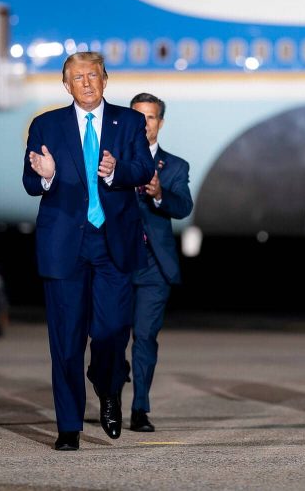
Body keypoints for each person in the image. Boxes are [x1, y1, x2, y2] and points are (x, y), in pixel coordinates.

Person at [23, 52, 155, 451]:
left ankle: (108, 385)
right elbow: (30, 180)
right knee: (66, 340)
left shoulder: (128, 121)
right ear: (66, 85)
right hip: (65, 244)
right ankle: (69, 426)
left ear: (105, 80)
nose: (86, 82)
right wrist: (46, 177)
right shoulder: (46, 124)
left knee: (112, 332)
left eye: (93, 75)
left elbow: (144, 169)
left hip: (113, 243)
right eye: (78, 77)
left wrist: (116, 171)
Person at [127, 92, 193, 433]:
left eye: (150, 117)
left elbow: (183, 206)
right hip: (116, 261)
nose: (144, 124)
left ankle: (140, 408)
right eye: (137, 117)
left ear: (160, 123)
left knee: (145, 337)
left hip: (155, 265)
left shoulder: (175, 166)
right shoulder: (110, 161)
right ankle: (110, 393)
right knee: (107, 337)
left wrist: (159, 195)